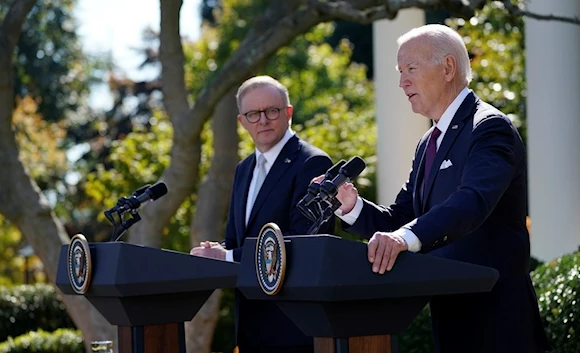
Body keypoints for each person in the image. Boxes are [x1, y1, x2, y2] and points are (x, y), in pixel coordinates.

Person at [327, 24, 550, 353]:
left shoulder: (489, 128)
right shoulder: (427, 143)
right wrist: (352, 206)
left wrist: (403, 237)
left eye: (411, 69)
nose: (402, 82)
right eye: (400, 72)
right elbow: (402, 219)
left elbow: (471, 202)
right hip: (451, 321)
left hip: (498, 325)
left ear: (448, 67)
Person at [191, 75, 334, 353]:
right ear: (241, 121)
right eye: (253, 114)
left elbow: (305, 245)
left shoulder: (313, 163)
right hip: (250, 325)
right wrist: (216, 253)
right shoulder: (243, 170)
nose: (263, 120)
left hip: (295, 327)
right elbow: (235, 240)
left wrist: (229, 256)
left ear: (288, 113)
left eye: (272, 111)